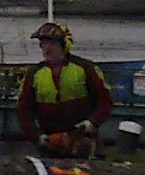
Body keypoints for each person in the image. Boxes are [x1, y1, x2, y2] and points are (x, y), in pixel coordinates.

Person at [17, 20, 114, 153]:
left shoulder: (85, 68)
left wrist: (92, 122)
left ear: (65, 45)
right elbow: (23, 110)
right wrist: (37, 136)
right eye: (44, 43)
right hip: (50, 142)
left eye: (52, 43)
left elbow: (104, 99)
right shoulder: (34, 74)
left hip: (83, 140)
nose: (47, 48)